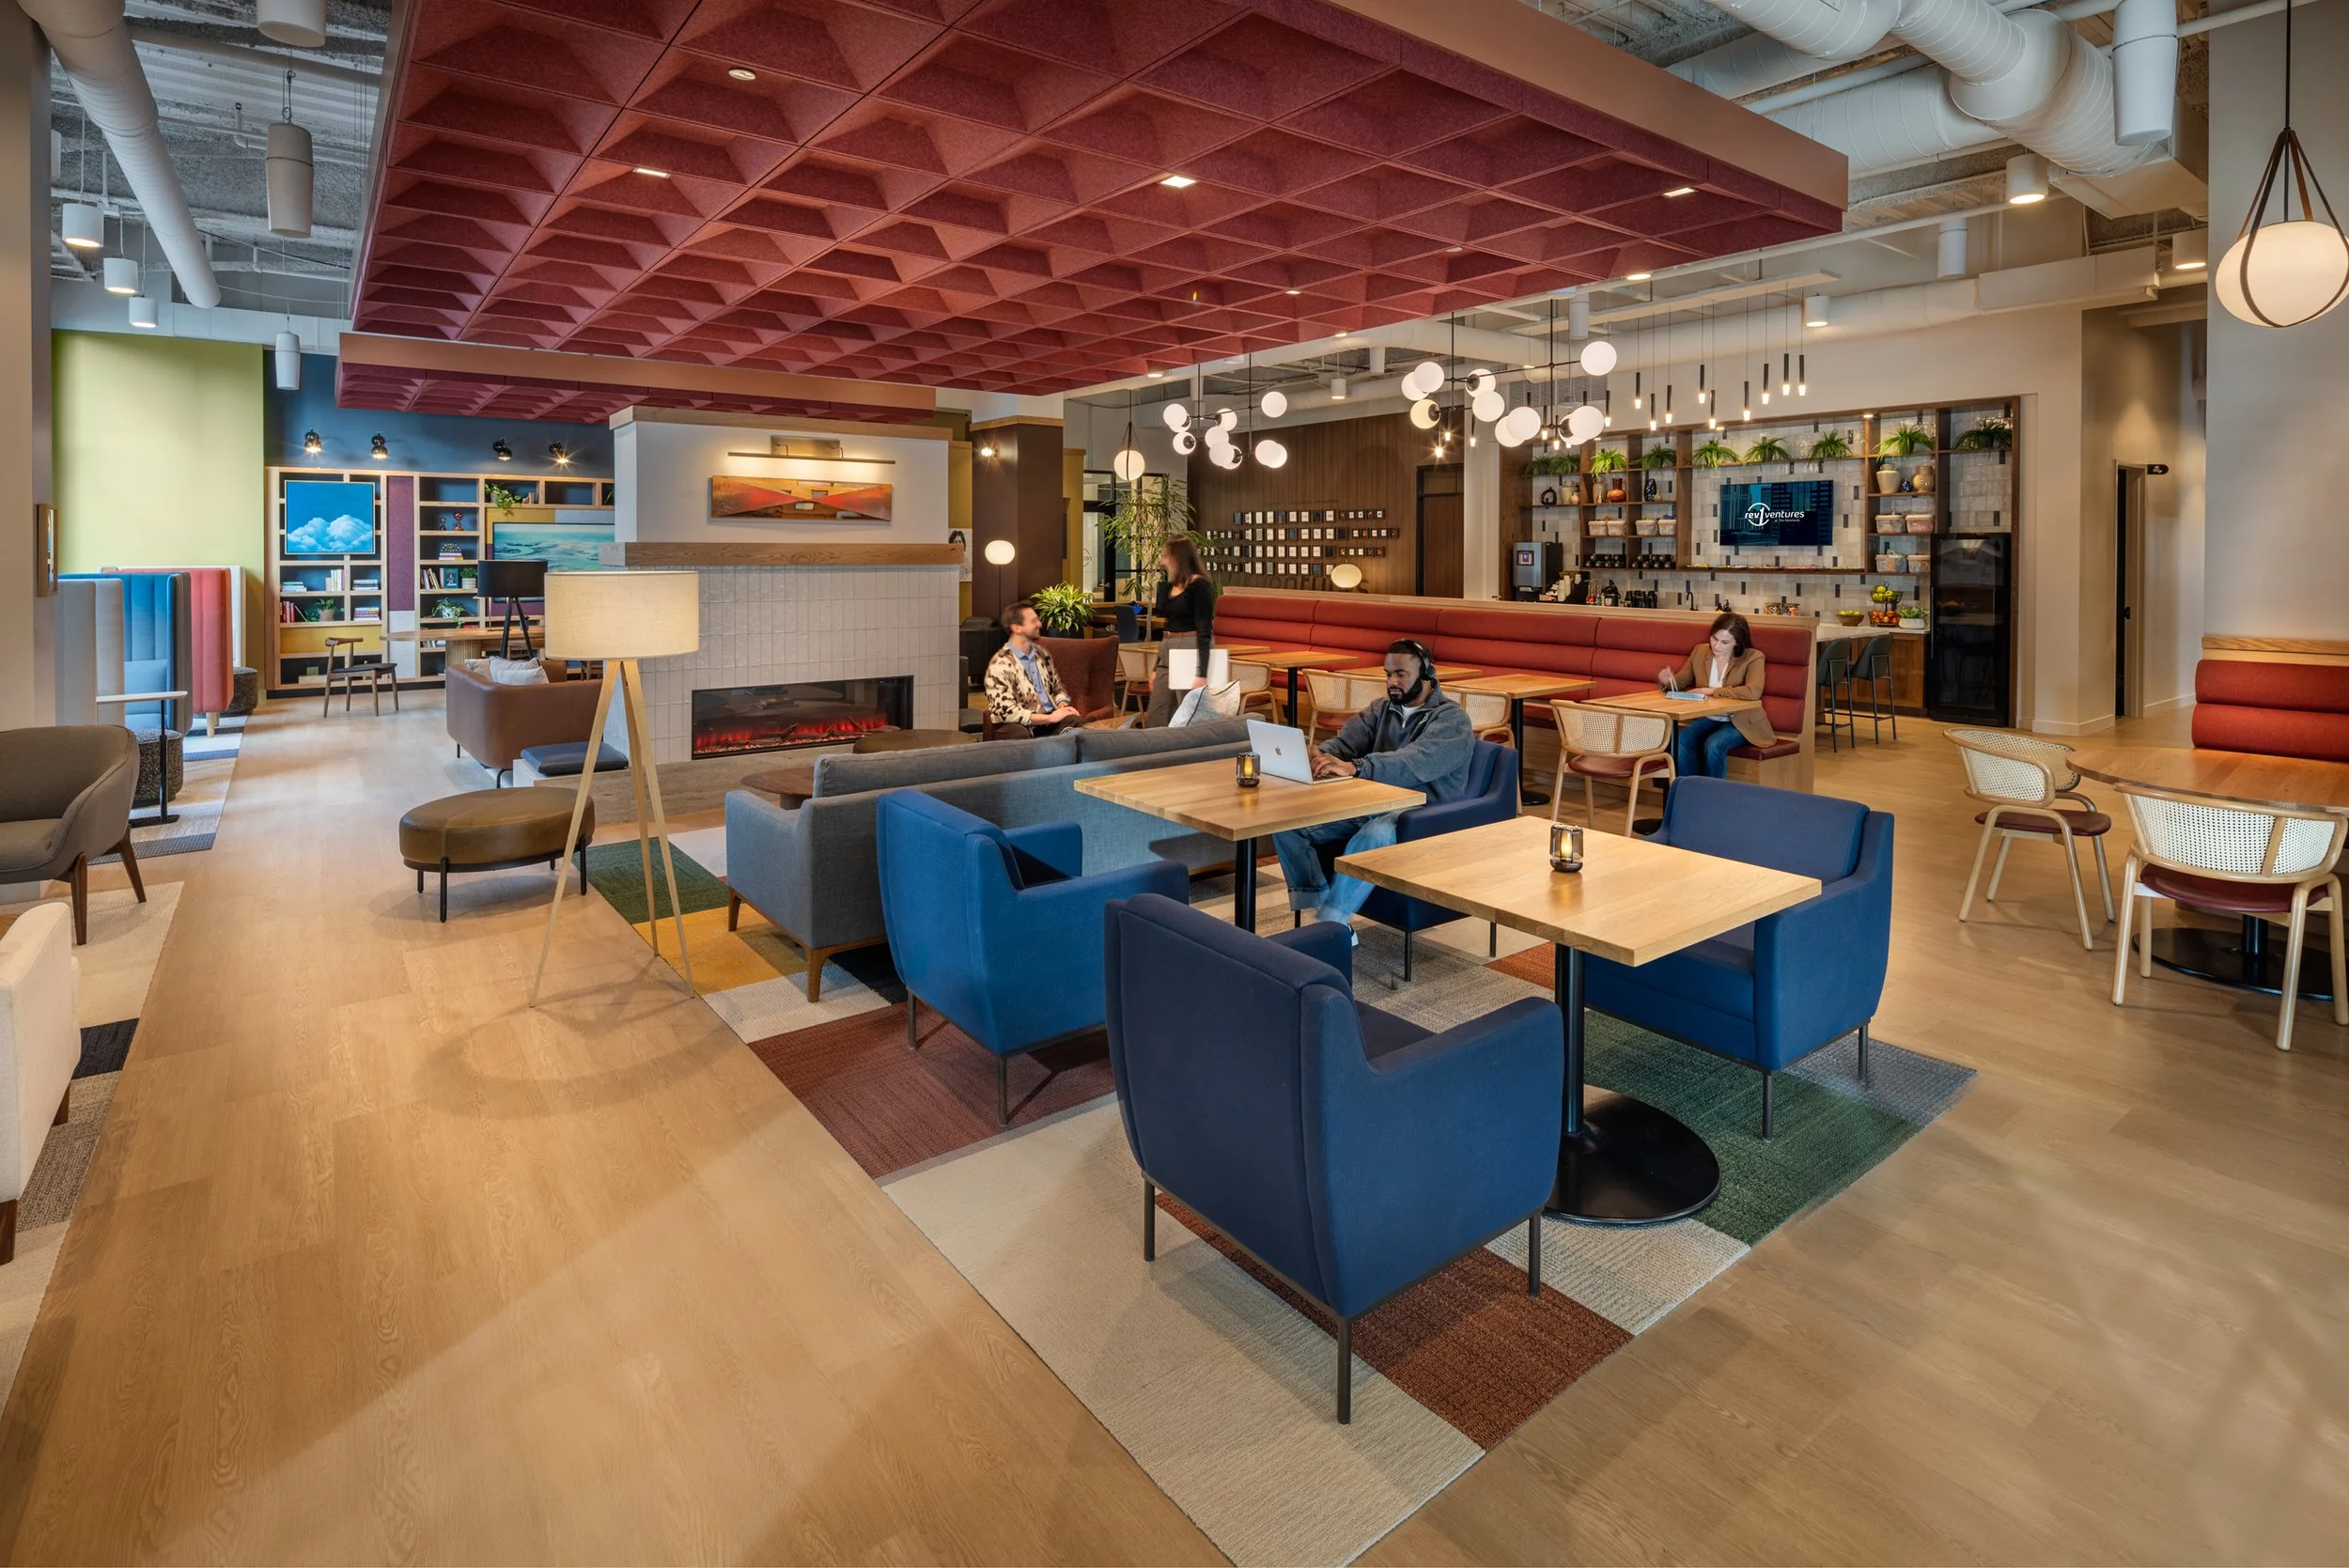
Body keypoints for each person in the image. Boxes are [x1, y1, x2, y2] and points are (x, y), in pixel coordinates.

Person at [1272, 640, 1475, 934]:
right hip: (1375, 802)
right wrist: (1321, 756)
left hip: (1423, 812)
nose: (1392, 682)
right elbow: (1346, 743)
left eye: (1401, 674)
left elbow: (1414, 762)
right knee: (1288, 824)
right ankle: (1324, 915)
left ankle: (1332, 922)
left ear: (1427, 674)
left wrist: (1357, 767)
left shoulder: (1452, 720)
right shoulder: (1381, 709)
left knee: (1375, 833)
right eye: (1388, 674)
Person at [1657, 612, 1776, 779]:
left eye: (1725, 642)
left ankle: (1714, 792)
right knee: (1680, 741)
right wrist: (1668, 680)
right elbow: (1681, 681)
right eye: (1714, 638)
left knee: (1714, 744)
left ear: (1737, 642)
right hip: (1709, 718)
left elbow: (1752, 692)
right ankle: (1691, 788)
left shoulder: (1753, 657)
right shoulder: (1700, 651)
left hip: (1741, 721)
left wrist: (1711, 691)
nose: (1717, 646)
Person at [1141, 535, 1218, 727]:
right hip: (1168, 647)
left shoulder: (1200, 586)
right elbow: (1168, 626)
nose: (1162, 561)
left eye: (1165, 556)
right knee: (1157, 713)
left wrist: (1202, 673)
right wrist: (1156, 668)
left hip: (1189, 648)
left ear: (1178, 557)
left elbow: (1204, 631)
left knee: (1186, 713)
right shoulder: (1169, 587)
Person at [983, 600, 1081, 737]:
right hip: (1021, 723)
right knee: (1019, 734)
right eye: (1033, 621)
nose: (1040, 624)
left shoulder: (1042, 655)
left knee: (1076, 721)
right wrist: (1049, 718)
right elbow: (1007, 711)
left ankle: (1054, 745)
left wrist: (1063, 707)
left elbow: (1058, 689)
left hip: (1048, 721)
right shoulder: (1000, 664)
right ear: (1017, 628)